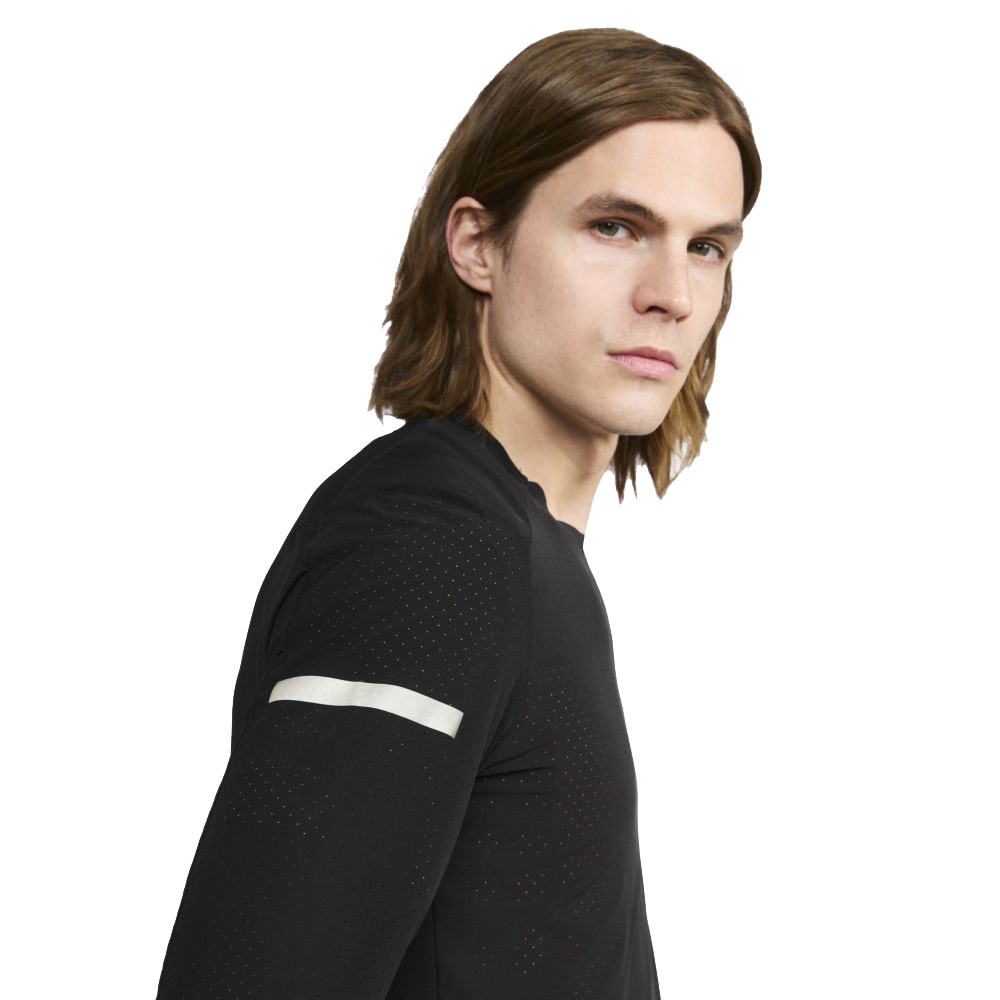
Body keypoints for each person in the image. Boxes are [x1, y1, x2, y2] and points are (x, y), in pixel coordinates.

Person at [155, 26, 762, 999]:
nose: (672, 295)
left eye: (706, 247)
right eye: (614, 227)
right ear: (478, 244)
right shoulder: (435, 546)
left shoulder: (518, 548)